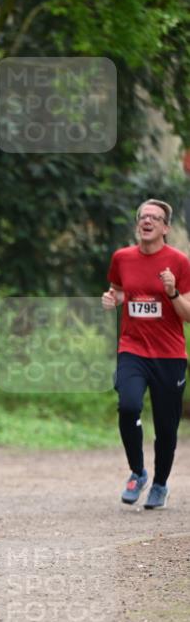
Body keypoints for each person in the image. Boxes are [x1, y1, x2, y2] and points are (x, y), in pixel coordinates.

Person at [102, 198, 190, 508]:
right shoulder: (122, 258)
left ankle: (161, 485)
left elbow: (189, 313)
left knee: (166, 428)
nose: (147, 220)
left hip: (169, 355)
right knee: (128, 406)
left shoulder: (179, 262)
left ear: (166, 227)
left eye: (154, 217)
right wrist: (114, 299)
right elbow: (121, 290)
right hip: (133, 349)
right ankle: (138, 472)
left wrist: (172, 292)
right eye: (143, 216)